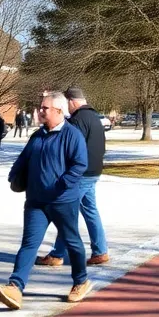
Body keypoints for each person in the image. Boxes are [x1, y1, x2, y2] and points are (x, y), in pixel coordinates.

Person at [0, 91, 92, 311]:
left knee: (72, 242)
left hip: (62, 201)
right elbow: (24, 159)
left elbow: (79, 165)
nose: (40, 111)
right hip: (36, 201)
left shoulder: (72, 135)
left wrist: (61, 185)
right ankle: (15, 287)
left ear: (58, 111)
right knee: (29, 243)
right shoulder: (38, 135)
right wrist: (14, 175)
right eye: (41, 107)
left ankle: (80, 281)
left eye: (45, 108)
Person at [38, 87, 109, 269]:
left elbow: (67, 147)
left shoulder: (77, 120)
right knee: (90, 212)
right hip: (94, 172)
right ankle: (100, 251)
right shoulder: (95, 118)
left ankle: (57, 254)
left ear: (71, 101)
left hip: (80, 175)